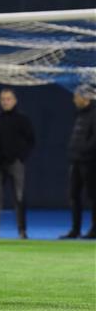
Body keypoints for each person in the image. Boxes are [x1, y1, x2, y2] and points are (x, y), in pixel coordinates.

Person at [0, 88, 34, 239]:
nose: (5, 102)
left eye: (8, 99)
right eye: (3, 99)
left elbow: (31, 141)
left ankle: (22, 231)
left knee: (19, 196)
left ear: (15, 100)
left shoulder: (23, 119)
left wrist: (20, 157)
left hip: (15, 163)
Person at [60, 87, 96, 239]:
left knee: (93, 196)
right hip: (76, 161)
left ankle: (94, 229)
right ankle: (75, 230)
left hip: (89, 162)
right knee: (74, 195)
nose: (74, 99)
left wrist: (83, 152)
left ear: (85, 98)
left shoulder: (94, 114)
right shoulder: (81, 114)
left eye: (76, 96)